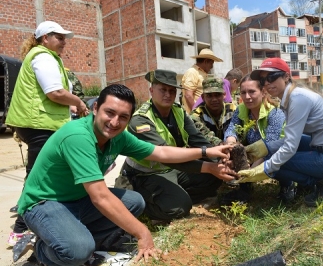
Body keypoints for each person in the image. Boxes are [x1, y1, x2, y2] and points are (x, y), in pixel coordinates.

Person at [17, 84, 233, 265]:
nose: (114, 122)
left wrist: (207, 152)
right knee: (77, 252)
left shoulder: (117, 136)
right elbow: (100, 197)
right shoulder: (78, 137)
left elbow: (161, 151)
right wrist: (142, 233)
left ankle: (72, 235)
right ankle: (42, 250)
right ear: (95, 109)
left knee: (134, 202)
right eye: (109, 113)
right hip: (44, 203)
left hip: (77, 199)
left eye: (123, 117)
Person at [237, 57, 323, 207]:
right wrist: (263, 147)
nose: (267, 83)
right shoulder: (291, 97)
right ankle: (314, 180)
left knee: (275, 162)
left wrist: (263, 169)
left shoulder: (297, 98)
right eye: (263, 80)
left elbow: (290, 147)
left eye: (272, 77)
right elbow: (292, 138)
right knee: (274, 152)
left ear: (286, 76)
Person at [115, 69, 237, 223]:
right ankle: (139, 204)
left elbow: (197, 139)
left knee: (216, 172)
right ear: (151, 90)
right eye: (163, 90)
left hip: (173, 168)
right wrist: (208, 163)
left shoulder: (178, 111)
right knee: (180, 208)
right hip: (145, 174)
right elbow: (165, 157)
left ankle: (172, 195)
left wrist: (220, 157)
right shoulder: (140, 121)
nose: (168, 94)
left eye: (172, 91)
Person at [6, 20, 88, 246]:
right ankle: (21, 229)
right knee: (37, 176)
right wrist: (78, 102)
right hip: (38, 125)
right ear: (45, 38)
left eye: (64, 38)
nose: (64, 42)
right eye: (59, 37)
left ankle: (42, 215)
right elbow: (55, 92)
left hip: (39, 123)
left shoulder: (44, 57)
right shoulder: (43, 56)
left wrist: (69, 105)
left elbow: (50, 94)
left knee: (44, 173)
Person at [221, 74, 286, 205]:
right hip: (252, 154)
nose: (247, 97)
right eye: (243, 92)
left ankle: (287, 186)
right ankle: (244, 189)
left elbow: (270, 145)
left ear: (263, 92)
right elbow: (231, 130)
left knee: (277, 157)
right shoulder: (241, 110)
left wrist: (251, 172)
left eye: (252, 92)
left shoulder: (275, 113)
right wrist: (230, 144)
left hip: (274, 154)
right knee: (233, 146)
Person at [190, 77, 237, 146]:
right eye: (209, 96)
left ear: (224, 95)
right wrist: (221, 145)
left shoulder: (233, 109)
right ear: (203, 97)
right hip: (207, 152)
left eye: (217, 95)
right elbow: (203, 134)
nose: (214, 99)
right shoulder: (197, 114)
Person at [181, 48, 223, 113]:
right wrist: (195, 113)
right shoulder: (192, 72)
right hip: (197, 115)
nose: (212, 67)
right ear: (206, 61)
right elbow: (188, 95)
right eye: (211, 63)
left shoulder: (203, 74)